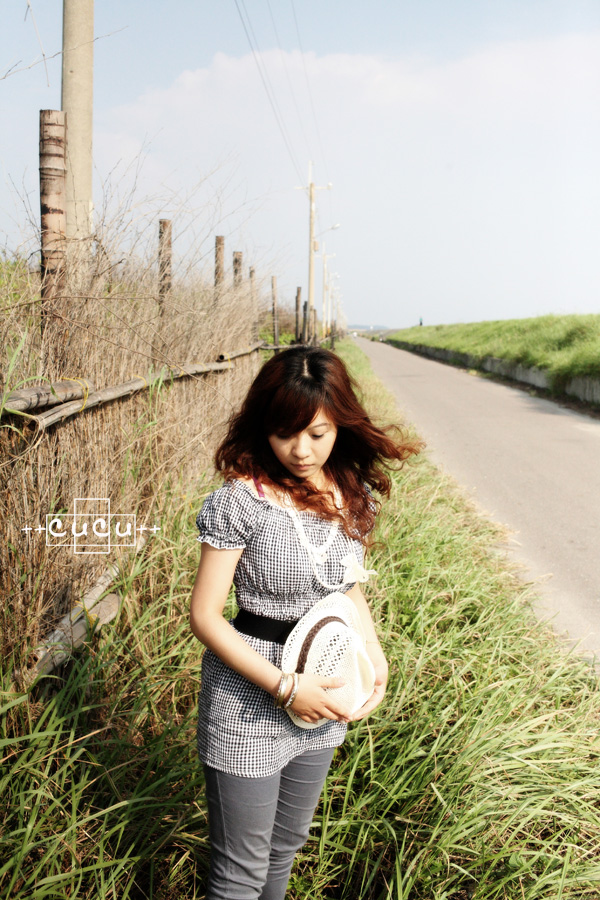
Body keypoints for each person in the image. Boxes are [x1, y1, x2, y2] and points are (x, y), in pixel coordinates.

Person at [190, 346, 421, 900]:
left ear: (341, 424)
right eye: (285, 433)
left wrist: (373, 652)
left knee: (286, 845)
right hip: (249, 695)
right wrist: (286, 687)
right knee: (241, 869)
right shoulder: (242, 502)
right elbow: (205, 616)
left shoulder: (350, 492)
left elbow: (347, 585)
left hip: (328, 679)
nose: (300, 450)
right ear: (263, 427)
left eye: (317, 434)